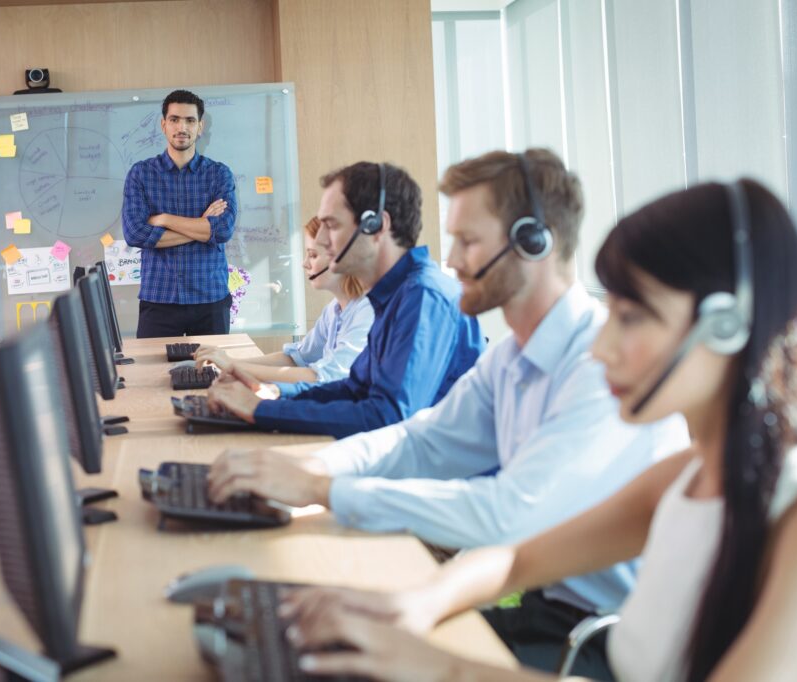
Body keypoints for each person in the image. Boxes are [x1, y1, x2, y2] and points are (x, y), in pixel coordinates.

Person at [279, 179, 797, 682]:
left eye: (632, 318)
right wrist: (412, 604)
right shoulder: (686, 476)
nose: (603, 348)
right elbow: (514, 563)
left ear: (727, 326)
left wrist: (441, 667)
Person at [207, 149, 688, 676]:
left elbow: (508, 512)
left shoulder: (599, 367)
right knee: (320, 638)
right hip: (538, 605)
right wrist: (313, 470)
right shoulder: (511, 358)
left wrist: (326, 490)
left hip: (598, 642)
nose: (452, 260)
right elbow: (422, 440)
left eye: (469, 240)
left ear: (534, 243)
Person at [205, 161, 485, 438]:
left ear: (376, 225)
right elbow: (354, 388)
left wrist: (262, 410)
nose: (323, 240)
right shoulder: (390, 295)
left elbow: (385, 417)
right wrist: (274, 394)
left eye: (332, 225)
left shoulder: (424, 298)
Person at [194, 216, 373, 384]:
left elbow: (323, 376)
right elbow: (296, 358)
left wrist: (234, 368)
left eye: (312, 255)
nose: (305, 264)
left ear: (342, 259)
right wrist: (229, 362)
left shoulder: (367, 311)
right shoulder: (334, 310)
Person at [122, 89, 237, 338]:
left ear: (200, 127)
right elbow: (135, 234)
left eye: (190, 120)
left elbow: (223, 230)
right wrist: (202, 227)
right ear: (163, 125)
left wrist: (162, 220)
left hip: (210, 298)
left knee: (213, 375)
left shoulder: (219, 174)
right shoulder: (141, 174)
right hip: (159, 298)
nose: (181, 127)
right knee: (150, 376)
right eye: (174, 119)